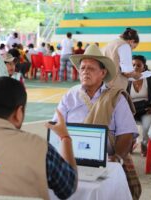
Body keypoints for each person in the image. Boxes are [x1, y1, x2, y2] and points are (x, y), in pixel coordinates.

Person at [53, 44, 141, 200]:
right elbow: (56, 128)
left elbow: (126, 133)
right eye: (83, 68)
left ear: (103, 73)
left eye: (91, 68)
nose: (85, 71)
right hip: (71, 157)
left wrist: (117, 157)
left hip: (107, 159)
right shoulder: (69, 96)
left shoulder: (116, 98)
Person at [126, 55, 151, 156]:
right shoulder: (126, 80)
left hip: (147, 110)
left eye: (138, 65)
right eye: (133, 65)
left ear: (144, 67)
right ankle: (130, 142)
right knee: (124, 124)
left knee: (147, 125)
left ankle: (144, 144)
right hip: (131, 111)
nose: (135, 67)